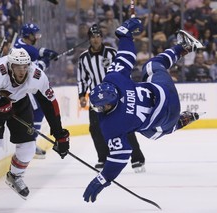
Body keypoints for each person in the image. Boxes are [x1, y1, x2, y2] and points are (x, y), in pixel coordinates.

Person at [83, 17, 203, 203]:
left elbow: (120, 157)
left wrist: (103, 178)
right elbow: (126, 55)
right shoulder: (113, 79)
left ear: (110, 104)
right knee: (152, 66)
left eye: (100, 106)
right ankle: (183, 47)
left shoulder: (110, 124)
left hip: (167, 115)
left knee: (153, 133)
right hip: (164, 91)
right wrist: (125, 35)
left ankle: (182, 121)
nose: (98, 109)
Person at [0, 47, 69, 208]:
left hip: (20, 102)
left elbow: (50, 104)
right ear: (10, 66)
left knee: (29, 146)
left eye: (24, 67)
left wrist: (60, 134)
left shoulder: (37, 75)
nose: (21, 71)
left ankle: (15, 176)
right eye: (17, 67)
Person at [77, 23, 145, 172]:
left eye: (98, 36)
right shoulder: (83, 58)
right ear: (89, 39)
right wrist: (82, 95)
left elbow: (122, 70)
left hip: (116, 97)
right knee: (95, 128)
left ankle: (137, 158)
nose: (96, 39)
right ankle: (103, 158)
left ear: (101, 38)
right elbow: (82, 79)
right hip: (96, 99)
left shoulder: (112, 53)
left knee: (126, 126)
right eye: (93, 37)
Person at [14, 23, 58, 159]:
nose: (37, 37)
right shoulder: (24, 48)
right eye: (35, 34)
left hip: (25, 85)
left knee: (36, 111)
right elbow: (37, 67)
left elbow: (37, 51)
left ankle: (30, 144)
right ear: (28, 35)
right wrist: (46, 61)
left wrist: (48, 54)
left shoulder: (20, 43)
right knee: (37, 111)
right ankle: (30, 145)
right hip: (24, 86)